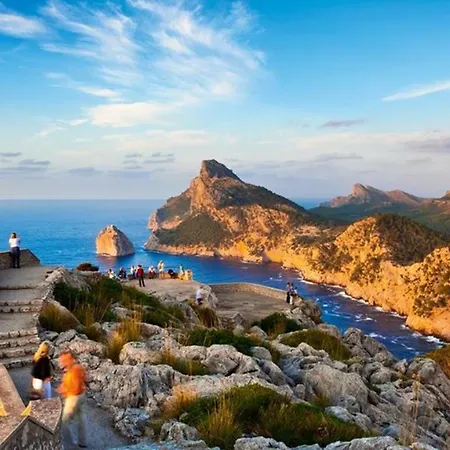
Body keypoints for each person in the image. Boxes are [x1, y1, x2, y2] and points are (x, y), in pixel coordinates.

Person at [58, 350, 88, 449]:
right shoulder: (78, 368)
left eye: (64, 360)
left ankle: (68, 445)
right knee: (82, 419)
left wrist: (64, 390)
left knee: (64, 422)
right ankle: (82, 442)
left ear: (71, 359)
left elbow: (75, 388)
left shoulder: (74, 370)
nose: (62, 363)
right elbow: (85, 379)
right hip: (82, 395)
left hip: (73, 398)